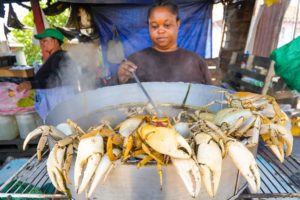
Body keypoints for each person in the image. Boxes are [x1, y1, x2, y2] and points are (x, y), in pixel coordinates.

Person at [110, 2, 212, 85]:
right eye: (154, 26)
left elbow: (209, 96)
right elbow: (113, 96)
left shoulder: (195, 62)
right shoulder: (134, 62)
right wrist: (119, 78)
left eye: (167, 25)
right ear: (148, 27)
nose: (160, 31)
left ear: (178, 23)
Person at [17, 28, 79, 121]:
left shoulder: (60, 56)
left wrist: (32, 84)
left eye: (45, 41)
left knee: (64, 125)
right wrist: (30, 83)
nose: (42, 43)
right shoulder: (55, 57)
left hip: (60, 100)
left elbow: (58, 79)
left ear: (55, 41)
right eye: (41, 41)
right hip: (56, 99)